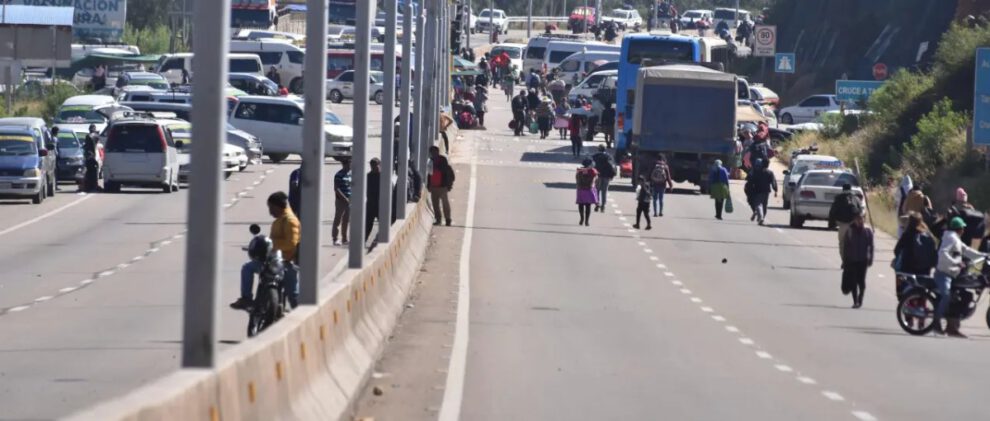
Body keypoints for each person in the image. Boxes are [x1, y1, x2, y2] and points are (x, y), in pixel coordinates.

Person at [231, 192, 300, 310]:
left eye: (271, 207)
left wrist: (271, 247)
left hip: (285, 264)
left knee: (294, 297)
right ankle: (247, 299)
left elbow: (291, 243)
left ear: (278, 206)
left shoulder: (290, 221)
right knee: (248, 267)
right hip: (272, 262)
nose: (270, 211)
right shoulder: (279, 220)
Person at [934, 217, 986, 337]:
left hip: (951, 274)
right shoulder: (950, 238)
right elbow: (943, 253)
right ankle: (936, 322)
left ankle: (952, 326)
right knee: (946, 296)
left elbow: (967, 251)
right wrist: (955, 262)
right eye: (962, 228)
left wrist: (984, 255)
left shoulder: (955, 238)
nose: (964, 230)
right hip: (943, 274)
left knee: (962, 296)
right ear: (959, 229)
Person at [841, 214, 874, 309]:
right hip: (852, 260)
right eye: (857, 219)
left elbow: (871, 246)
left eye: (861, 219)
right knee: (853, 281)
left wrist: (870, 258)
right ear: (854, 220)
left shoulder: (867, 231)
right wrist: (844, 261)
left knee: (861, 281)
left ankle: (860, 299)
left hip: (863, 260)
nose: (860, 221)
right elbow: (846, 247)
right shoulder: (850, 231)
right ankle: (855, 301)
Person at [828, 184, 864, 262]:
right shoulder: (856, 198)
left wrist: (831, 225)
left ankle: (844, 261)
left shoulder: (838, 198)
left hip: (843, 224)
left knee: (842, 244)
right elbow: (860, 212)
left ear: (843, 189)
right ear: (850, 189)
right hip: (854, 224)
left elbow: (832, 211)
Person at [744, 159, 777, 225]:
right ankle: (762, 218)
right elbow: (773, 182)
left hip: (758, 190)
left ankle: (761, 217)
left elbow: (750, 180)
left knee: (758, 204)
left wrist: (749, 188)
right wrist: (775, 190)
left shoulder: (755, 172)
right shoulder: (769, 172)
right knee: (764, 205)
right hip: (766, 191)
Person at [428, 146, 455, 226]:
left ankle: (448, 219)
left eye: (434, 153)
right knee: (435, 204)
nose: (433, 154)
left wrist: (448, 185)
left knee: (445, 203)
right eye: (432, 153)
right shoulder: (430, 161)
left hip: (442, 187)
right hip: (433, 186)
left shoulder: (442, 160)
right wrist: (429, 185)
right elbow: (429, 174)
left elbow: (445, 171)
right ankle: (438, 219)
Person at [332, 159, 352, 246]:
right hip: (341, 200)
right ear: (344, 164)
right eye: (348, 164)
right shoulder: (338, 175)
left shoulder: (350, 174)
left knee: (346, 220)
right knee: (338, 219)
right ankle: (335, 238)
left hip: (350, 200)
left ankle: (344, 238)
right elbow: (336, 189)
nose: (350, 166)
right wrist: (344, 198)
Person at [591, 145, 616, 212]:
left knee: (597, 190)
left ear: (599, 149)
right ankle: (603, 206)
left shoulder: (595, 156)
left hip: (598, 176)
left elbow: (592, 166)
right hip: (607, 176)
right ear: (605, 150)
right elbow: (612, 166)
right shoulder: (609, 156)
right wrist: (612, 175)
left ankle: (597, 204)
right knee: (604, 191)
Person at [575, 158, 599, 226]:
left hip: (581, 189)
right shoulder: (593, 171)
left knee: (581, 205)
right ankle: (587, 221)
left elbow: (576, 179)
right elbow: (596, 178)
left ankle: (581, 218)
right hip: (589, 190)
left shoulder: (579, 170)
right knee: (588, 206)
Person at [365, 158, 382, 240]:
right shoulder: (368, 177)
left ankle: (382, 239)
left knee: (384, 225)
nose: (374, 167)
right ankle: (362, 241)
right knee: (367, 225)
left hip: (381, 205)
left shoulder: (383, 177)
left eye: (375, 165)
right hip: (370, 204)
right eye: (372, 165)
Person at [82, 125, 101, 192]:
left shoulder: (88, 136)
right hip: (94, 155)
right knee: (94, 171)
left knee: (90, 171)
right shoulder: (96, 136)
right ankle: (93, 186)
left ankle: (90, 186)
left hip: (89, 155)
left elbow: (86, 146)